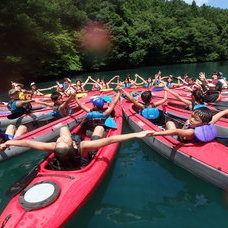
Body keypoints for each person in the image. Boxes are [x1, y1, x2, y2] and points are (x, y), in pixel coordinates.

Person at [0, 126, 153, 168]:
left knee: (64, 129)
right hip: (86, 155)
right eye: (63, 140)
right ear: (73, 143)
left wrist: (7, 143)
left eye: (60, 140)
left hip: (69, 155)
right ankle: (99, 127)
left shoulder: (53, 147)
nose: (61, 139)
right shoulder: (84, 146)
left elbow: (27, 143)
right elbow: (111, 140)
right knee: (99, 128)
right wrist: (136, 135)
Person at [148, 107, 228, 143]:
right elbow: (222, 113)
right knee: (186, 121)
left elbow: (176, 131)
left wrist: (154, 133)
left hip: (180, 138)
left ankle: (165, 130)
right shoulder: (207, 123)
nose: (192, 119)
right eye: (192, 116)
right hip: (186, 133)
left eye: (196, 119)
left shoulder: (191, 132)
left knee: (170, 123)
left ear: (203, 123)